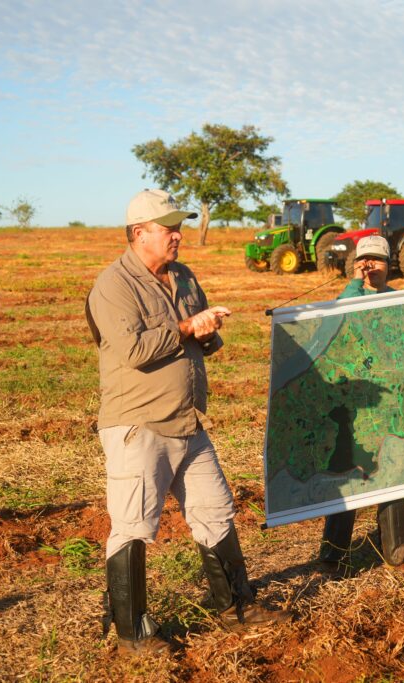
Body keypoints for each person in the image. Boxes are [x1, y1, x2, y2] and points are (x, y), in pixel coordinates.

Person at [86, 189, 289, 654]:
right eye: (167, 227)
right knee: (133, 524)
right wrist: (185, 327)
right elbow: (134, 350)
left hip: (187, 419)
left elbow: (196, 340)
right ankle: (132, 635)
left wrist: (208, 331)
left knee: (216, 510)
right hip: (138, 423)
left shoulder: (183, 276)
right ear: (140, 234)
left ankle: (237, 606)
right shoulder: (113, 285)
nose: (177, 235)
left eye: (179, 226)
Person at [318, 235, 404, 576]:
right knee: (350, 472)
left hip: (391, 399)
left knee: (394, 470)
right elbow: (339, 319)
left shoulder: (398, 299)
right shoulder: (349, 296)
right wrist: (354, 282)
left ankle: (399, 551)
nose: (371, 266)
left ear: (389, 265)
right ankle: (334, 555)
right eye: (365, 260)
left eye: (378, 260)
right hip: (355, 402)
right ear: (355, 264)